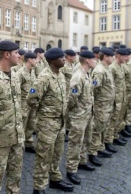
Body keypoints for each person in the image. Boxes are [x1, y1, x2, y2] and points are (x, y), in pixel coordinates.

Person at [27, 47, 74, 193]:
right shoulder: (44, 77)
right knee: (43, 155)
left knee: (57, 152)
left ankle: (55, 178)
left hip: (59, 122)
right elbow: (31, 99)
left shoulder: (59, 74)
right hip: (47, 123)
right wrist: (44, 113)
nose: (64, 59)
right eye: (61, 58)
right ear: (53, 60)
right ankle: (39, 187)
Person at [0, 40, 24, 194]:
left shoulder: (15, 76)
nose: (19, 56)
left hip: (17, 136)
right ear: (7, 54)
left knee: (15, 178)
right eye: (17, 53)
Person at [66, 50, 97, 185]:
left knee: (86, 139)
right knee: (75, 142)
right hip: (79, 115)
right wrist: (74, 112)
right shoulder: (78, 77)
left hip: (87, 113)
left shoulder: (87, 74)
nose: (96, 61)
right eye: (94, 59)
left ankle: (83, 160)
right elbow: (72, 98)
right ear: (88, 61)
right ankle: (71, 169)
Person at [88, 48, 115, 166]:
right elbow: (93, 88)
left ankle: (100, 147)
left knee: (103, 127)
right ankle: (92, 153)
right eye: (111, 56)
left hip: (107, 105)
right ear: (105, 57)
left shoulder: (106, 68)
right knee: (97, 129)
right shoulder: (99, 70)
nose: (113, 57)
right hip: (101, 105)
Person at [106, 49, 129, 147]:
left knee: (118, 119)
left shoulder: (121, 67)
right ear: (118, 55)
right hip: (115, 100)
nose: (126, 58)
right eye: (124, 56)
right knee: (112, 120)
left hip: (121, 98)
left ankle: (115, 136)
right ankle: (108, 141)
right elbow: (110, 86)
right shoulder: (112, 68)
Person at [16, 51, 38, 153]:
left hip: (31, 104)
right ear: (30, 60)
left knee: (31, 124)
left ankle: (28, 143)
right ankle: (19, 146)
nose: (37, 61)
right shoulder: (20, 73)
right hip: (23, 104)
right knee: (22, 126)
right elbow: (16, 90)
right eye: (35, 59)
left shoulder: (32, 71)